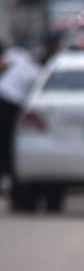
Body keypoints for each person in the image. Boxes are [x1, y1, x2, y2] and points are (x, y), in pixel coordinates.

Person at [0, 41, 40, 188]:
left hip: (4, 96)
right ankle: (8, 175)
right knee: (9, 141)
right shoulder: (33, 69)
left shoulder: (12, 57)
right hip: (12, 103)